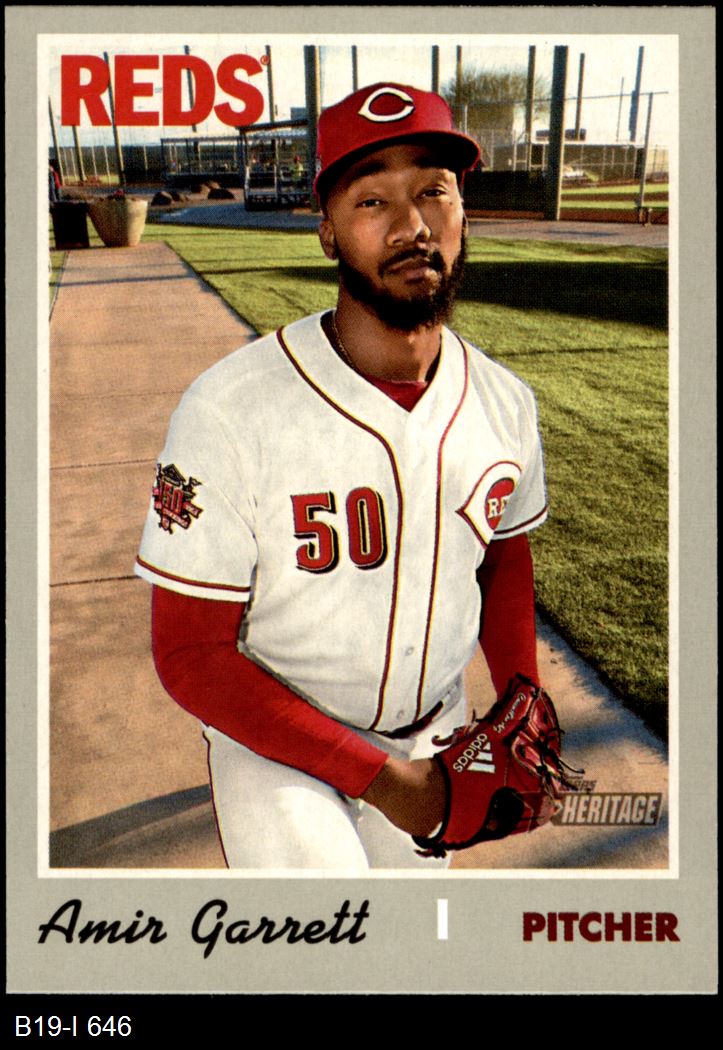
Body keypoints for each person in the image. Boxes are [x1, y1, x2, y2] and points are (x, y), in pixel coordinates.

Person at [135, 82, 548, 871]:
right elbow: (190, 653)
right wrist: (384, 782)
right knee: (333, 926)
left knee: (412, 934)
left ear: (463, 211)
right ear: (326, 231)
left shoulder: (504, 402)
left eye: (432, 191)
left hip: (436, 734)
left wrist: (524, 697)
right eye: (371, 201)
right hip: (276, 742)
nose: (411, 225)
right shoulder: (229, 407)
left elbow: (501, 556)